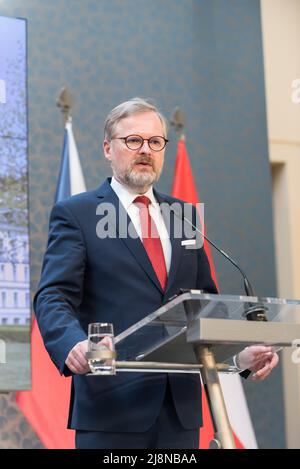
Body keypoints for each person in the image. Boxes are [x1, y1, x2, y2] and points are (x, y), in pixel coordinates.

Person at [34, 97, 279, 449]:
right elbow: (52, 296)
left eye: (155, 141)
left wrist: (240, 357)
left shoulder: (185, 216)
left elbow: (204, 309)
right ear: (108, 148)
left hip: (179, 416)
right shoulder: (78, 214)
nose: (145, 150)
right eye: (133, 140)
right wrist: (73, 343)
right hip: (111, 410)